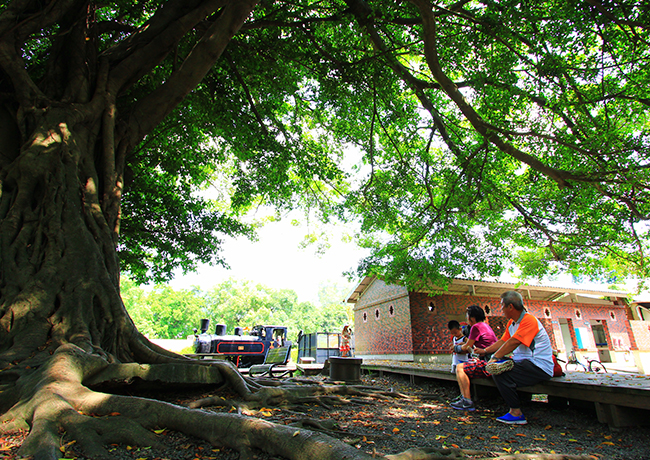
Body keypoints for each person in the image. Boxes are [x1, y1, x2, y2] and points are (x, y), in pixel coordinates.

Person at [479, 291, 554, 425]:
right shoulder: (511, 323)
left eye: (502, 306)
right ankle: (517, 404)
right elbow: (503, 342)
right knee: (496, 364)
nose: (501, 309)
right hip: (523, 363)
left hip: (538, 366)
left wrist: (495, 357)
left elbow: (514, 342)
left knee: (500, 371)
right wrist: (485, 351)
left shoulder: (529, 320)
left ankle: (516, 412)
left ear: (510, 307)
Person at [450, 305, 498, 411]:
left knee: (460, 368)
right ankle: (464, 396)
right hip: (492, 360)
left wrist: (456, 348)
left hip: (487, 363)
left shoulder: (475, 327)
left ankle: (466, 400)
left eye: (467, 316)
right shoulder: (485, 326)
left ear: (472, 318)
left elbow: (467, 347)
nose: (467, 319)